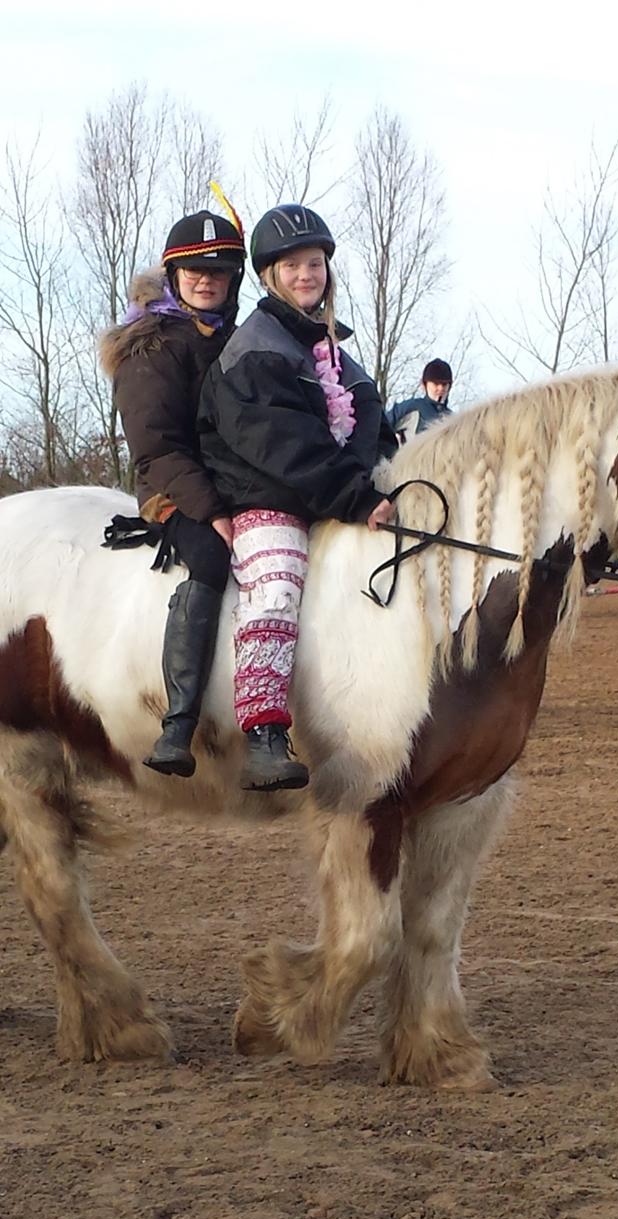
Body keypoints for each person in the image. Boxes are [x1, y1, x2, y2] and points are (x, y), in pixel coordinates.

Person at [197, 203, 397, 791]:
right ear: (268, 276)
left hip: (333, 495)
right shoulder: (253, 349)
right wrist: (354, 497)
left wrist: (382, 486)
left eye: (315, 263)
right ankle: (263, 733)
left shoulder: (335, 352)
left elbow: (371, 427)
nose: (307, 274)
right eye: (293, 266)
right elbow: (283, 446)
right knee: (279, 580)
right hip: (267, 495)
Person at [100, 208, 245, 778]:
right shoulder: (150, 347)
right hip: (173, 490)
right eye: (194, 272)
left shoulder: (236, 340)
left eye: (218, 270)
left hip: (235, 485)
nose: (206, 280)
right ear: (175, 276)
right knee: (210, 557)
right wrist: (210, 511)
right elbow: (155, 448)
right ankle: (179, 721)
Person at [387, 359, 453, 442]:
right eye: (436, 384)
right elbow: (381, 426)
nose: (440, 388)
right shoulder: (410, 408)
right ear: (424, 384)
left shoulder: (453, 419)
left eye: (444, 384)